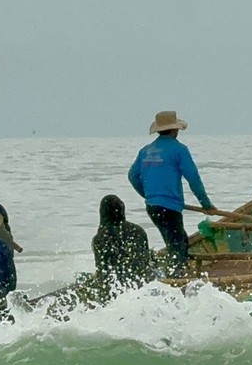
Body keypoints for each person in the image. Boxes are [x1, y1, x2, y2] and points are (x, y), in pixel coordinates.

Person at [127, 110, 212, 276]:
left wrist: (148, 195)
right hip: (170, 208)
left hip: (152, 207)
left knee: (178, 240)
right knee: (177, 246)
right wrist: (206, 204)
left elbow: (132, 176)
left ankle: (177, 273)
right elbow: (193, 178)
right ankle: (177, 281)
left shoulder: (146, 150)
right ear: (175, 130)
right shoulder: (179, 149)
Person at [91, 194, 156, 292]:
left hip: (117, 286)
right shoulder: (138, 230)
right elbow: (144, 260)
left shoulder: (100, 239)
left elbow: (103, 273)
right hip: (143, 281)